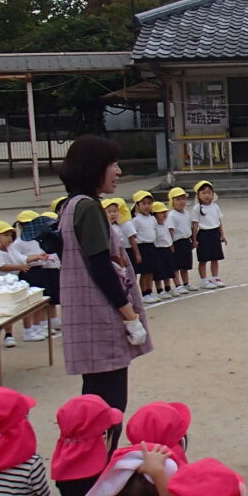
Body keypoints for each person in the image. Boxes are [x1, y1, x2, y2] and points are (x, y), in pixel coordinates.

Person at [56, 136, 152, 412]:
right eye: (112, 164)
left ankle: (96, 454)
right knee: (110, 406)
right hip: (100, 315)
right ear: (93, 166)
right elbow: (100, 266)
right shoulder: (88, 207)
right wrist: (130, 316)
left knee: (94, 401)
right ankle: (104, 456)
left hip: (84, 316)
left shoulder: (70, 204)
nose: (119, 171)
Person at [0, 221, 48, 345]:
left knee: (11, 309)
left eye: (10, 235)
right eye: (5, 235)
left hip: (12, 284)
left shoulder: (11, 249)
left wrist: (37, 257)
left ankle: (9, 335)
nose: (9, 238)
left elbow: (23, 258)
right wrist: (20, 267)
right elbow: (1, 267)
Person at [192, 181, 227, 288]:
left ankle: (215, 277)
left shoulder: (215, 206)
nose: (207, 195)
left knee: (215, 258)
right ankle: (204, 280)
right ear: (198, 195)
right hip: (203, 234)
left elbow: (219, 222)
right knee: (203, 259)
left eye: (209, 193)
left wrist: (222, 235)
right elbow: (195, 225)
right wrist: (194, 239)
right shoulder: (197, 208)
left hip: (214, 233)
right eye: (203, 193)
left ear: (212, 194)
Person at [131, 190, 160, 301]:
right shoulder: (136, 220)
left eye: (149, 203)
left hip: (152, 246)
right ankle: (144, 293)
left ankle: (150, 291)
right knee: (144, 271)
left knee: (151, 271)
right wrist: (137, 252)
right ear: (137, 205)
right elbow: (133, 236)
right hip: (142, 247)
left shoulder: (152, 218)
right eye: (144, 203)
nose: (147, 206)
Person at [166, 188, 194, 295]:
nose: (181, 201)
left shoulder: (187, 213)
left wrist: (192, 239)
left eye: (183, 199)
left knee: (185, 264)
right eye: (178, 199)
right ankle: (178, 285)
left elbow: (189, 227)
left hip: (186, 240)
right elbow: (170, 230)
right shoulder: (172, 215)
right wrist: (171, 244)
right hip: (177, 242)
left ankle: (186, 283)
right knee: (176, 265)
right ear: (172, 201)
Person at [151, 201, 177, 302]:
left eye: (165, 212)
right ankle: (159, 290)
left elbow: (168, 236)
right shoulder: (154, 226)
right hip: (158, 250)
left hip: (167, 249)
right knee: (159, 271)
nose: (164, 214)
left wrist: (171, 246)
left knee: (168, 269)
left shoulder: (165, 224)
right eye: (160, 213)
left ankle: (168, 288)